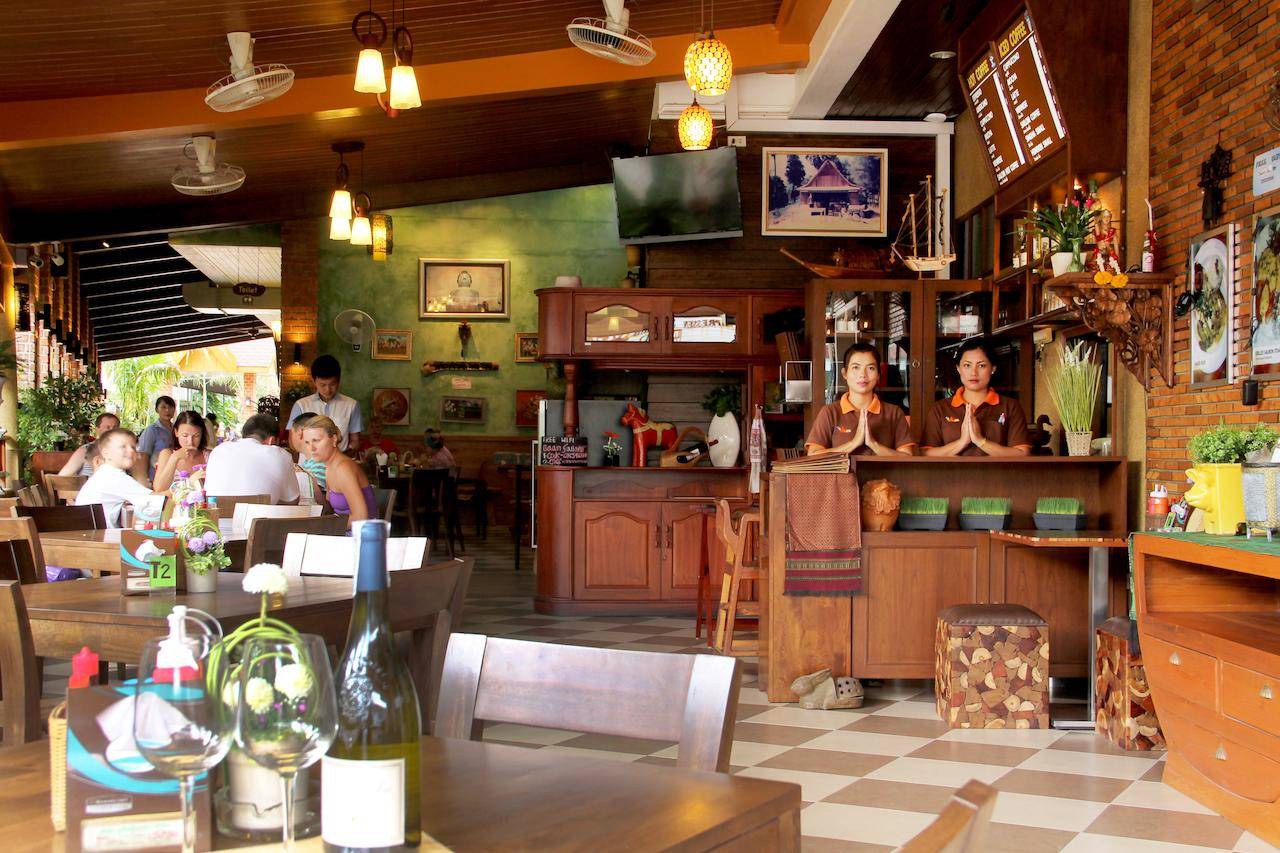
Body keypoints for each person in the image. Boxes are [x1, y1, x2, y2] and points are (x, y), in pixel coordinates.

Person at [922, 337, 1031, 457]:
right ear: (958, 368)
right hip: (952, 470)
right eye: (967, 365)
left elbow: (1022, 453)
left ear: (993, 369)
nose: (973, 372)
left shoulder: (1010, 407)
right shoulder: (940, 409)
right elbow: (926, 453)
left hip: (995, 470)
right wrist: (962, 442)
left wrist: (981, 441)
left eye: (982, 365)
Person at [805, 342, 915, 456]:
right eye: (856, 367)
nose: (863, 375)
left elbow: (907, 457)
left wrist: (873, 444)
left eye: (871, 368)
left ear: (878, 374)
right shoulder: (830, 412)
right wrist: (854, 443)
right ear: (844, 373)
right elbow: (813, 454)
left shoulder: (894, 413)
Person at [203, 414, 300, 505]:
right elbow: (292, 501)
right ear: (272, 440)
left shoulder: (218, 451)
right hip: (261, 517)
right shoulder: (280, 455)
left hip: (215, 517)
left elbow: (207, 493)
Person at [76, 429, 159, 527]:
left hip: (89, 532)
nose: (131, 450)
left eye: (133, 447)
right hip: (98, 535)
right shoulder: (113, 476)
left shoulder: (106, 472)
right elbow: (155, 500)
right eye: (123, 447)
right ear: (106, 453)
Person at [304, 415, 376, 524]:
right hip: (342, 531)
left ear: (334, 439)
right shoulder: (330, 466)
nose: (311, 448)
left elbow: (361, 517)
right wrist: (314, 488)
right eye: (307, 442)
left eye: (316, 440)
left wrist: (324, 527)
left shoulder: (343, 468)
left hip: (360, 533)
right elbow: (329, 510)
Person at [286, 355, 364, 453]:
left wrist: (343, 455)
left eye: (332, 384)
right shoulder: (301, 405)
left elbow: (355, 440)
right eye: (322, 385)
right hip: (308, 461)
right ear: (314, 381)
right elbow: (292, 441)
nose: (328, 390)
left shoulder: (351, 405)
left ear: (339, 380)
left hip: (339, 460)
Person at [152, 410, 212, 491]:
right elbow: (159, 489)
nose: (190, 441)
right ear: (176, 432)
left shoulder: (209, 456)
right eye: (185, 436)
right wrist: (174, 458)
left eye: (196, 436)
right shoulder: (167, 455)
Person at [58, 412, 120, 476]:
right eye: (107, 427)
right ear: (97, 429)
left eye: (115, 427)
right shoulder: (85, 450)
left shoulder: (123, 451)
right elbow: (62, 476)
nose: (112, 431)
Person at [288, 411, 324, 505]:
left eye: (292, 433)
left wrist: (302, 475)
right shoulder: (308, 463)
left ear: (300, 433)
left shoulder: (319, 464)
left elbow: (317, 502)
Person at [137, 395, 177, 479]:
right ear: (156, 410)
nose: (167, 410)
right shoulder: (152, 430)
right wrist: (145, 478)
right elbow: (144, 455)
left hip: (174, 474)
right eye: (163, 407)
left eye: (170, 407)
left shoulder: (177, 429)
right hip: (155, 475)